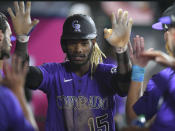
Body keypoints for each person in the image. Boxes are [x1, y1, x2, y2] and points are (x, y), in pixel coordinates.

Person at [9, 1, 134, 131]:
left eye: (84, 43)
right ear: (64, 45)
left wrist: (122, 50)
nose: (78, 49)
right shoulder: (54, 73)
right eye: (73, 43)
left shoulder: (106, 73)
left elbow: (124, 86)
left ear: (93, 44)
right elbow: (23, 75)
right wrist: (22, 39)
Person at [125, 3, 175, 131]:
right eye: (165, 31)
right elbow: (134, 119)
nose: (166, 36)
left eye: (168, 29)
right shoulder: (163, 77)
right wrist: (138, 70)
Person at [0, 8, 38, 130]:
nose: (11, 43)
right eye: (10, 37)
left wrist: (22, 40)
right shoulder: (5, 96)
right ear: (0, 36)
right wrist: (18, 92)